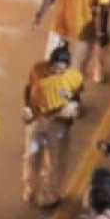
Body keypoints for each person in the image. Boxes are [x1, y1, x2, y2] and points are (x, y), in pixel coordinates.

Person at [23, 44, 83, 209]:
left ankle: (49, 194)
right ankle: (31, 188)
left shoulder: (74, 77)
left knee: (55, 161)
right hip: (38, 119)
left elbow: (76, 97)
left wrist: (72, 110)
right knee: (31, 156)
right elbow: (28, 89)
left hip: (59, 124)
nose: (58, 71)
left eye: (62, 69)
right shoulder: (38, 70)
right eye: (55, 68)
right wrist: (27, 108)